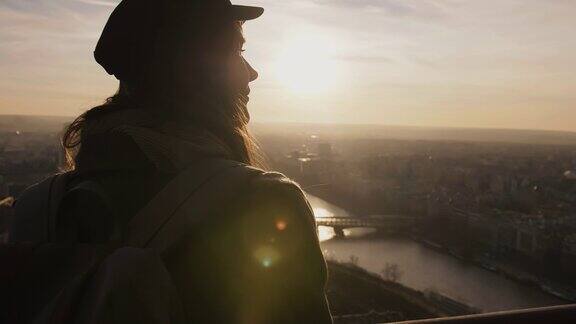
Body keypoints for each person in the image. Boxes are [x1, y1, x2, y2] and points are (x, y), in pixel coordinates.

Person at [10, 0, 332, 323]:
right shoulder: (265, 205)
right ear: (197, 71)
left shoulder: (34, 212)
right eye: (238, 51)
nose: (252, 72)